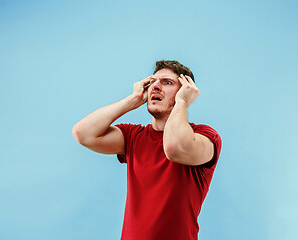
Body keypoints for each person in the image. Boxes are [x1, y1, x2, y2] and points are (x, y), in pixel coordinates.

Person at [72, 60, 222, 240]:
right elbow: (83, 134)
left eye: (167, 82)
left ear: (185, 90)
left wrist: (182, 102)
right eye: (152, 82)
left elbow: (174, 148)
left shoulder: (204, 136)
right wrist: (132, 100)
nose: (155, 87)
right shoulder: (133, 136)